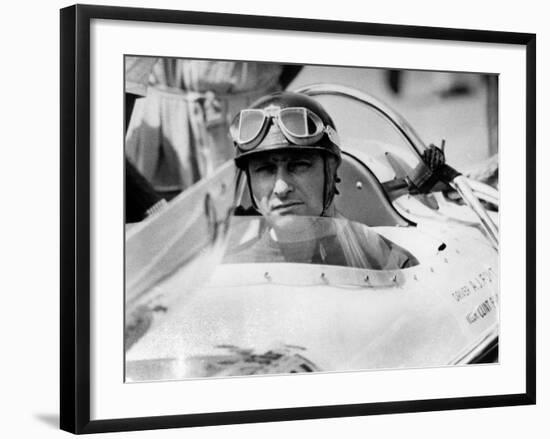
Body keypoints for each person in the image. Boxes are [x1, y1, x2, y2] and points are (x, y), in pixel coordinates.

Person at [225, 92, 417, 269]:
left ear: (331, 170)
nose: (281, 188)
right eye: (265, 170)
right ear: (249, 180)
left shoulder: (390, 264)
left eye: (298, 165)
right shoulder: (233, 273)